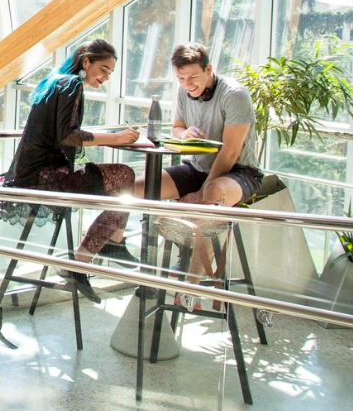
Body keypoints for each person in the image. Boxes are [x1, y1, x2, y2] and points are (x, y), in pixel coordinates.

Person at [92, 42, 263, 265]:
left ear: (208, 69)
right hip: (197, 167)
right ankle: (114, 243)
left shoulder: (234, 95)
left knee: (211, 194)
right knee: (130, 188)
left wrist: (201, 192)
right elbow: (177, 128)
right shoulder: (184, 91)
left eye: (192, 77)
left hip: (239, 172)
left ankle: (186, 286)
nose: (187, 84)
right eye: (181, 79)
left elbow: (230, 153)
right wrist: (185, 134)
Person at [4, 39, 140, 302]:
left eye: (110, 73)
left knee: (118, 190)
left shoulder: (58, 81)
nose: (105, 77)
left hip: (32, 176)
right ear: (86, 62)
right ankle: (102, 249)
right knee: (126, 176)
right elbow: (68, 136)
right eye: (103, 69)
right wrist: (116, 139)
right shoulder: (72, 84)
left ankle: (89, 257)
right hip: (46, 178)